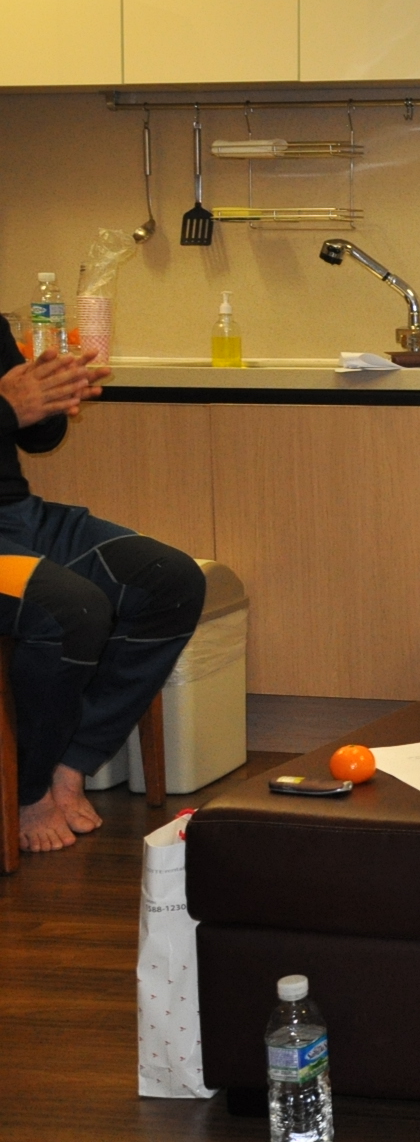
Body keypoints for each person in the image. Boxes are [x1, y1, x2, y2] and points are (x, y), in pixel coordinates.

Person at [1, 344, 205, 853]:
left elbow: (34, 434)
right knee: (71, 610)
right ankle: (26, 790)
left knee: (170, 580)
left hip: (17, 516)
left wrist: (51, 399)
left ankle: (70, 763)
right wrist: (8, 407)